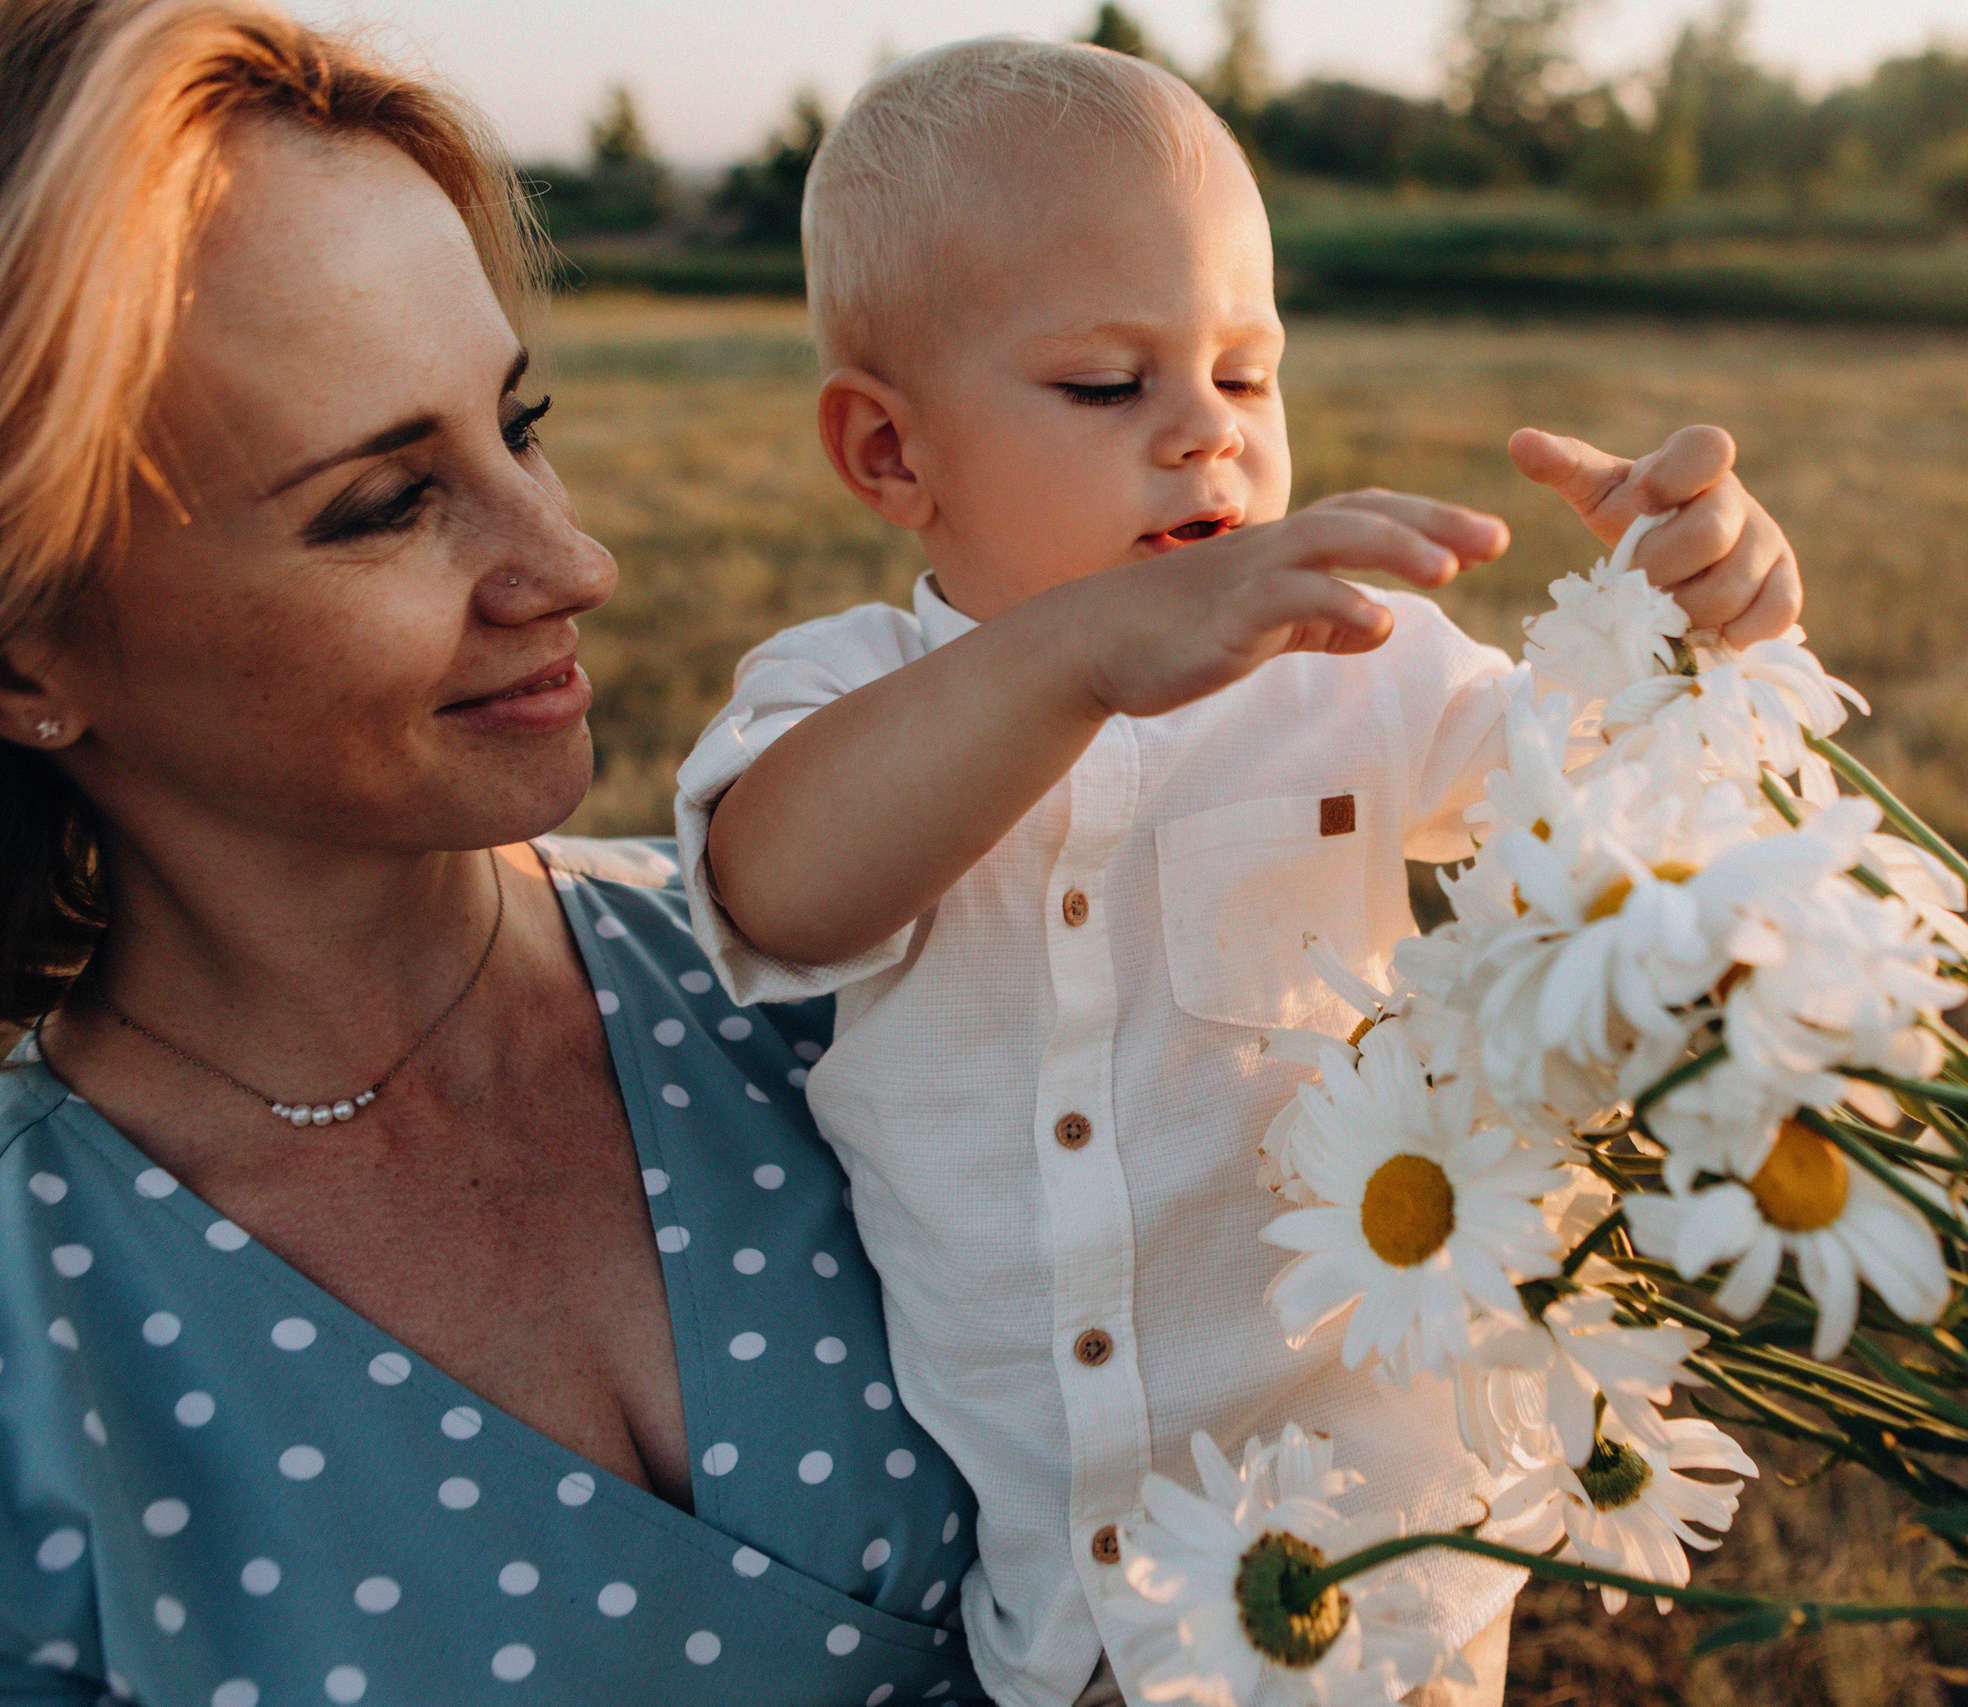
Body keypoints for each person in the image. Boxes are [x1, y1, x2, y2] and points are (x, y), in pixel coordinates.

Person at [677, 40, 1805, 1707]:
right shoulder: (846, 702)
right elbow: (781, 890)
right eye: (1109, 387)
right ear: (892, 457)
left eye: (1247, 375)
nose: (1206, 435)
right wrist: (1076, 660)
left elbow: (1602, 821)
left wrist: (1692, 633)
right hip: (1065, 1603)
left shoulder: (1352, 662)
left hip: (1369, 1555)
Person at [0, 2, 981, 1700]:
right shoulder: (39, 1338)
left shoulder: (834, 973)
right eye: (382, 504)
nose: (572, 559)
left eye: (518, 424)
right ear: (30, 654)